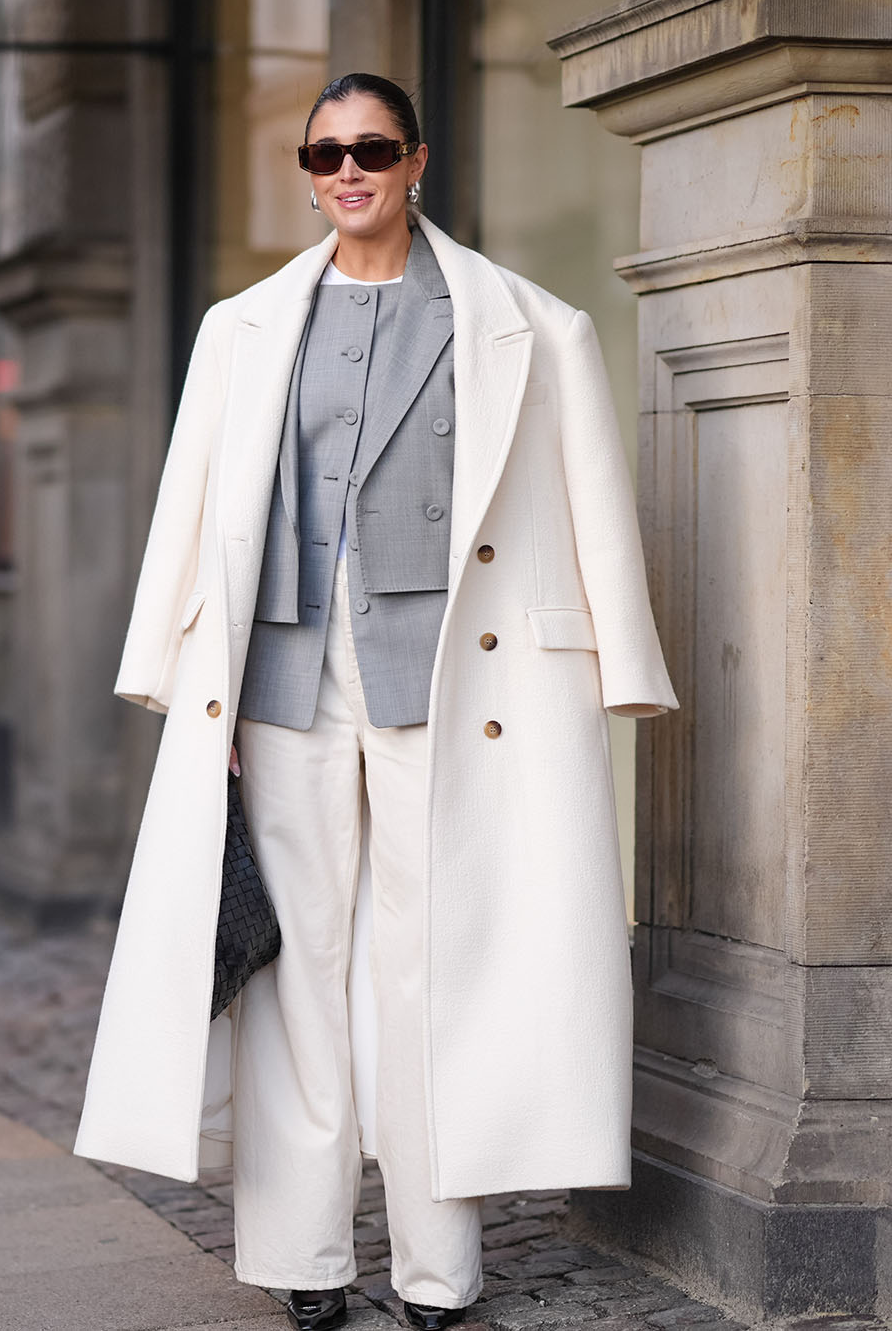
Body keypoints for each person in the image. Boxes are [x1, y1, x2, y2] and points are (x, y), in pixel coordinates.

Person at [73, 72, 679, 1331]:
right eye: (324, 154)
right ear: (308, 175)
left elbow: (590, 507)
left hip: (458, 677)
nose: (346, 170)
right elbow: (192, 504)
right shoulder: (239, 328)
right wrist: (174, 673)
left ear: (416, 162)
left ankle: (435, 1269)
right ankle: (300, 1256)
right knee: (296, 969)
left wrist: (621, 661)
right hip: (280, 677)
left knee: (429, 965)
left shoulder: (530, 325)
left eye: (371, 148)